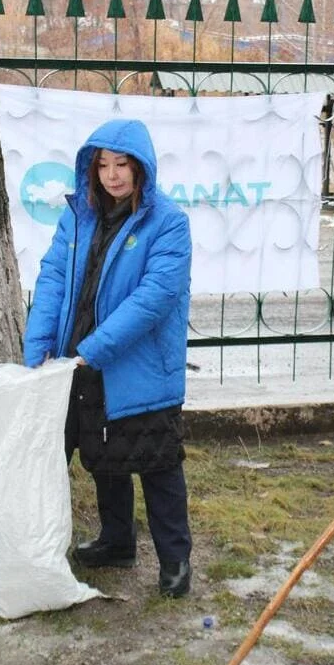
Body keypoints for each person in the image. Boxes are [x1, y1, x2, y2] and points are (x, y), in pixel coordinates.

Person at [23, 118, 194, 598]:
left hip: (137, 365)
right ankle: (117, 542)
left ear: (142, 168)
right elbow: (53, 277)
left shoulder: (169, 222)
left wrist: (93, 350)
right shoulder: (78, 215)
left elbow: (153, 299)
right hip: (78, 361)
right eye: (103, 165)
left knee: (159, 463)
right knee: (103, 454)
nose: (113, 175)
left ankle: (176, 561)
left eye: (122, 165)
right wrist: (39, 344)